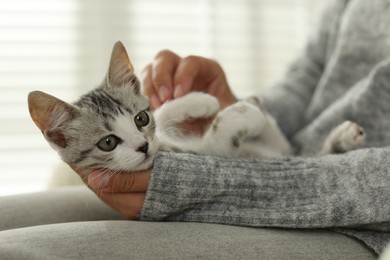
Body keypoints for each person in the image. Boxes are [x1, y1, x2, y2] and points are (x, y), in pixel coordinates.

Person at [0, 0, 389, 259]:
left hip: (346, 213)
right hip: (292, 157)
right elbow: (306, 80)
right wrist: (235, 101)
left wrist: (198, 182)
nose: (140, 143)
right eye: (108, 140)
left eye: (140, 121)